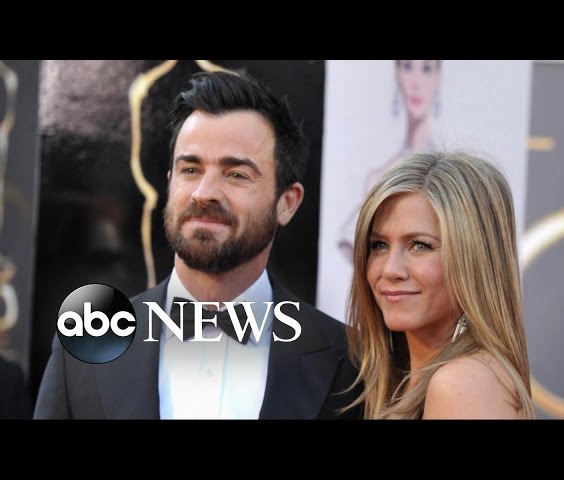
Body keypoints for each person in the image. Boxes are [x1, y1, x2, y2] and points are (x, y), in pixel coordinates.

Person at [34, 70, 362, 419]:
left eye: (236, 174)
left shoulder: (350, 361)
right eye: (190, 169)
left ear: (287, 202)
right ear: (170, 182)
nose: (204, 193)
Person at [346, 151, 535, 419]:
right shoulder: (399, 379)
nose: (390, 270)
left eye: (420, 245)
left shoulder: (462, 384)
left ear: (475, 257)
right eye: (379, 245)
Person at [338, 60, 442, 261]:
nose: (416, 82)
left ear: (438, 75)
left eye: (426, 68)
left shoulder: (452, 183)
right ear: (397, 73)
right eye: (407, 67)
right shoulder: (378, 179)